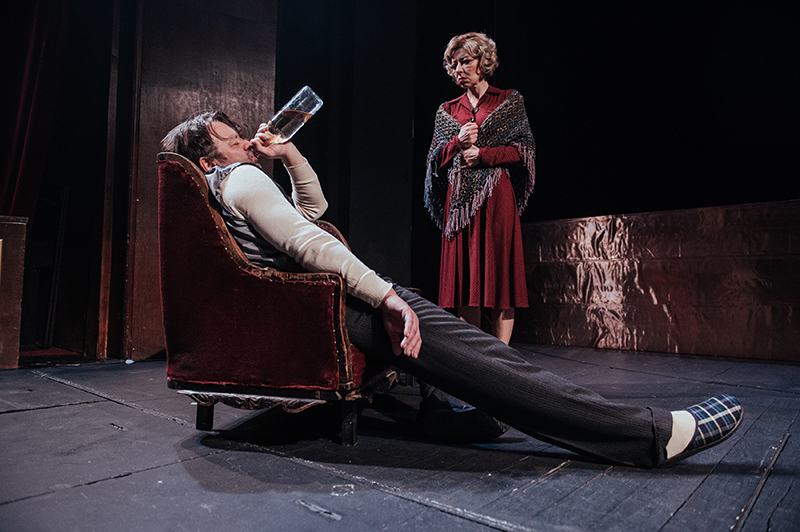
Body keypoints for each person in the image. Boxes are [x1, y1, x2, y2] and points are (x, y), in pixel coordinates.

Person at [161, 110, 743, 469]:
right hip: (329, 309)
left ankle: (440, 418)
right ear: (210, 158)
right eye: (232, 139)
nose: (246, 142)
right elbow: (309, 242)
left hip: (310, 309)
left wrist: (289, 154)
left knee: (462, 354)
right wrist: (386, 296)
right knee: (488, 358)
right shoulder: (240, 178)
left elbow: (310, 212)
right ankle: (649, 435)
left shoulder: (224, 190)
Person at [425, 32, 535, 345]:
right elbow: (434, 162)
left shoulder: (508, 101)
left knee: (501, 281)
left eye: (465, 61)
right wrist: (456, 143)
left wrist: (484, 155)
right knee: (465, 283)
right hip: (460, 203)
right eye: (453, 64)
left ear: (482, 61)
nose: (458, 69)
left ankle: (501, 358)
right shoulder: (448, 110)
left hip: (497, 197)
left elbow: (524, 151)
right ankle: (475, 358)